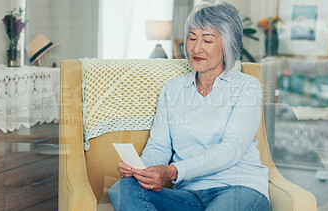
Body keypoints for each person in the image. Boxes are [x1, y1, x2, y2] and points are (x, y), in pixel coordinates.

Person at [109, 2, 270, 210]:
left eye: (208, 40)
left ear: (227, 46)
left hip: (239, 189)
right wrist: (141, 168)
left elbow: (232, 149)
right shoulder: (172, 89)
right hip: (187, 196)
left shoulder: (247, 86)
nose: (196, 48)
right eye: (192, 38)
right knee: (124, 189)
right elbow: (160, 146)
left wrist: (172, 171)